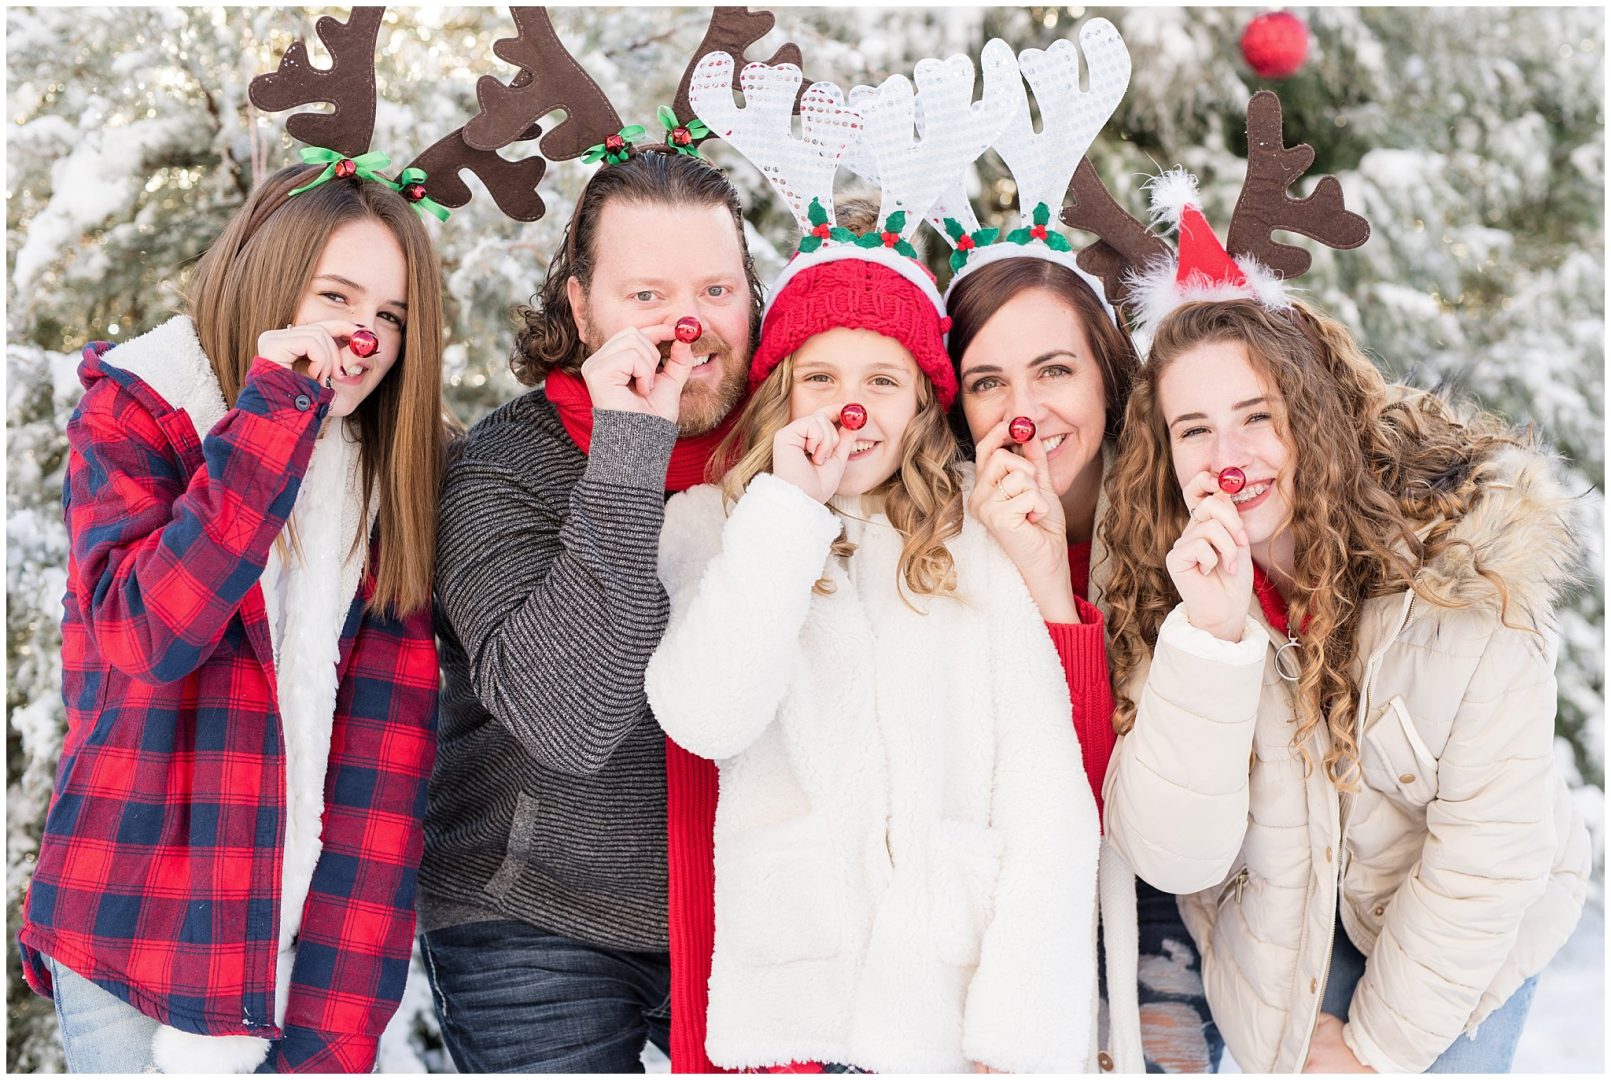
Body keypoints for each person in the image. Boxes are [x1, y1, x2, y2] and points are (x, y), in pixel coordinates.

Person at [645, 151, 1105, 1070]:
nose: (849, 407)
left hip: (941, 1001)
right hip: (788, 999)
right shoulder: (717, 525)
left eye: (881, 381)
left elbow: (1044, 789)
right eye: (820, 379)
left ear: (923, 409)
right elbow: (704, 717)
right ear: (782, 394)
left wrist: (1021, 1030)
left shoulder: (974, 534)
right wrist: (789, 513)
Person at [17, 161, 447, 1073]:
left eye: (391, 318)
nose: (362, 337)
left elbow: (383, 775)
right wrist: (271, 419)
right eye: (337, 295)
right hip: (131, 937)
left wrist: (336, 1033)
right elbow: (147, 633)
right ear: (269, 277)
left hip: (295, 964)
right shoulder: (138, 412)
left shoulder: (386, 488)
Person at [1100, 296, 1591, 1073]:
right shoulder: (1166, 588)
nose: (1227, 454)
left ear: (1315, 410)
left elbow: (1486, 854)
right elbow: (1175, 858)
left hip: (1459, 918)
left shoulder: (1463, 572)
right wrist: (1212, 637)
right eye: (1193, 429)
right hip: (1288, 920)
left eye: (1257, 415)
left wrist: (1373, 1051)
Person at [420, 146, 760, 1072]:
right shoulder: (501, 470)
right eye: (646, 296)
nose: (686, 325)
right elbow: (574, 721)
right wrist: (629, 453)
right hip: (535, 914)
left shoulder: (789, 454)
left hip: (755, 911)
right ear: (581, 306)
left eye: (715, 290)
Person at [946, 255, 1225, 1072]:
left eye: (1054, 371)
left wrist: (1049, 587)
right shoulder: (939, 526)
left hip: (1164, 889)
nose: (1023, 412)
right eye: (987, 382)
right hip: (1006, 886)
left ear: (1106, 376)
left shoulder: (1185, 508)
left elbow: (1108, 789)